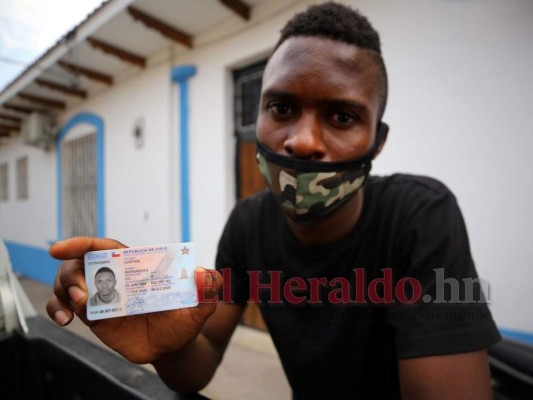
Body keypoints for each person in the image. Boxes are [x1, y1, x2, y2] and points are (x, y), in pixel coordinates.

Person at [46, 2, 500, 399]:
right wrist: (168, 342)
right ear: (258, 117)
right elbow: (198, 366)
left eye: (342, 116)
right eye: (281, 109)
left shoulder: (421, 215)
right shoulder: (247, 224)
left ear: (377, 142)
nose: (302, 142)